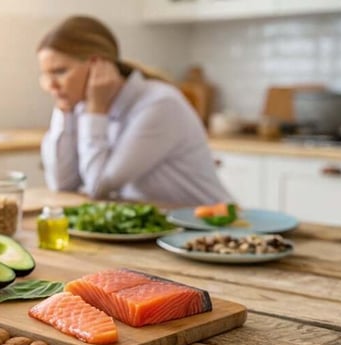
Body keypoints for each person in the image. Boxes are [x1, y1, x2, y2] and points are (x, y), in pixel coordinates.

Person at [37, 15, 231, 206]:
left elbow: (98, 187)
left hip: (209, 228)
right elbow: (61, 184)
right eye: (45, 74)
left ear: (97, 65)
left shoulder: (159, 105)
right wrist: (64, 113)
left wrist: (96, 111)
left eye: (60, 71)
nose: (50, 85)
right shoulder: (82, 107)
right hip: (160, 229)